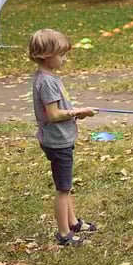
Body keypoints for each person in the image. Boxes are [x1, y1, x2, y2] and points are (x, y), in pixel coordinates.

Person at [29, 29, 98, 246]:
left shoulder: (48, 77)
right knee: (62, 189)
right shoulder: (47, 81)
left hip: (61, 138)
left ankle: (73, 222)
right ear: (45, 55)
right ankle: (64, 234)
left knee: (67, 185)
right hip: (56, 141)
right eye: (61, 55)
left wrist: (77, 113)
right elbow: (53, 114)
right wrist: (78, 112)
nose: (64, 59)